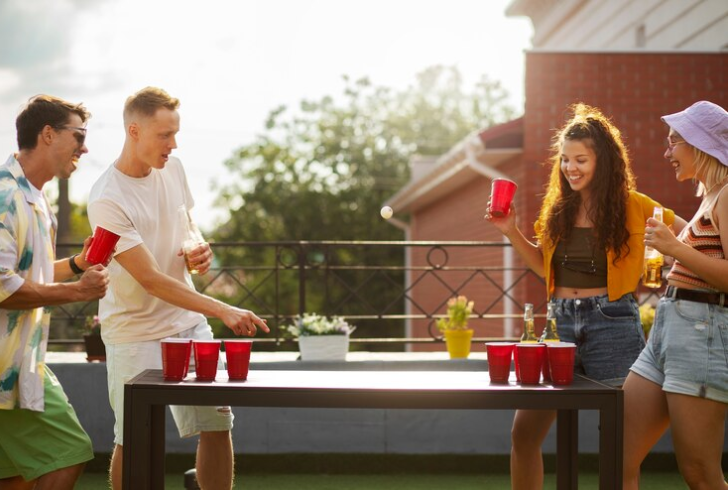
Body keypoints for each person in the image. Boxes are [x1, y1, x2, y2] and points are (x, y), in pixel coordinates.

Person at [485, 103, 686, 490]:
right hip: (557, 325)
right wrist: (510, 230)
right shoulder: (558, 207)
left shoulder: (636, 205)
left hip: (612, 324)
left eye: (580, 159)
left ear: (604, 161)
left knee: (620, 445)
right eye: (564, 159)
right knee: (523, 435)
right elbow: (547, 270)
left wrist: (676, 259)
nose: (570, 168)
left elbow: (691, 232)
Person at [87, 86, 269, 490]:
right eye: (164, 135)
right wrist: (222, 309)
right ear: (134, 131)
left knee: (217, 425)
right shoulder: (106, 199)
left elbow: (186, 220)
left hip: (187, 325)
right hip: (134, 333)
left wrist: (195, 247)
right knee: (131, 440)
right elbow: (150, 279)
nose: (173, 144)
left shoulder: (174, 167)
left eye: (175, 133)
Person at [0, 95, 109, 489]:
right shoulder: (4, 197)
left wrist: (76, 266)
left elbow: (32, 275)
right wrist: (77, 292)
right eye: (78, 135)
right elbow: (4, 287)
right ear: (47, 134)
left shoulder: (35, 197)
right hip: (5, 365)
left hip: (17, 358)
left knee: (14, 477)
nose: (85, 146)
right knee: (68, 454)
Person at [623, 101, 728, 489]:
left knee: (700, 473)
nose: (667, 153)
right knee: (618, 451)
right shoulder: (711, 197)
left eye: (674, 143)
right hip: (668, 332)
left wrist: (676, 249)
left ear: (700, 144)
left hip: (703, 336)